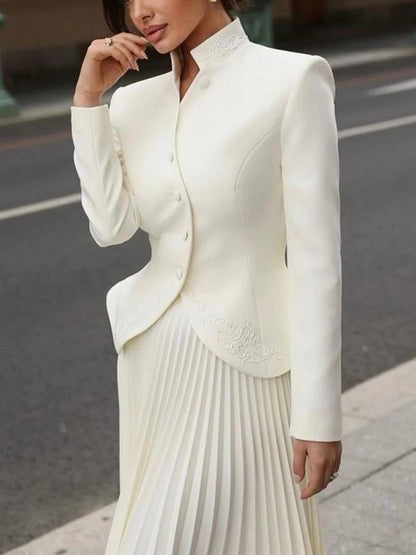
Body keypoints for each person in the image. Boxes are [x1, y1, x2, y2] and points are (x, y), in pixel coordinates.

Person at [70, 0, 343, 553]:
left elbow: (318, 260)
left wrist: (319, 414)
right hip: (154, 361)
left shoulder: (291, 80)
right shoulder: (133, 101)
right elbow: (111, 226)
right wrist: (88, 103)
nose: (140, 11)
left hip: (251, 364)